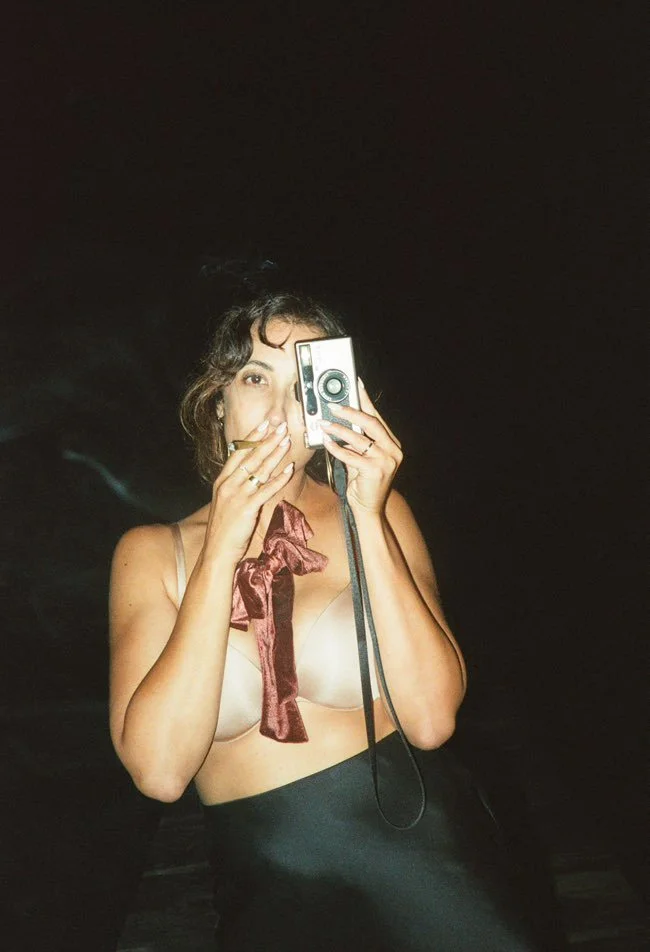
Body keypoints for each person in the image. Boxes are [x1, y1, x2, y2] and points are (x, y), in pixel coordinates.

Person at [109, 291, 542, 950]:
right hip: (270, 898)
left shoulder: (377, 511)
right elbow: (161, 772)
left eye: (302, 384)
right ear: (217, 400)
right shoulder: (151, 554)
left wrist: (366, 511)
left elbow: (431, 721)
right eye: (256, 378)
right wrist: (222, 547)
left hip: (430, 875)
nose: (280, 408)